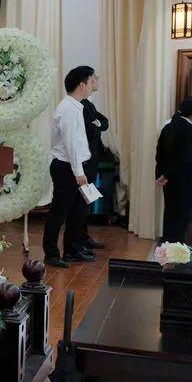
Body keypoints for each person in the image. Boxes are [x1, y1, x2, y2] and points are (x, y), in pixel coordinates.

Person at [43, 66, 96, 268]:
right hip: (66, 167)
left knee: (77, 211)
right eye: (91, 81)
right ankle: (51, 253)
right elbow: (70, 143)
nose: (92, 85)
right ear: (82, 84)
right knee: (59, 212)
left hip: (73, 165)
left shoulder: (75, 106)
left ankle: (72, 250)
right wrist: (78, 171)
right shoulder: (68, 109)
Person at [156, 96, 192, 244]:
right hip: (185, 178)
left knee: (170, 213)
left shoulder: (168, 126)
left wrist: (161, 174)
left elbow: (159, 153)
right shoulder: (190, 128)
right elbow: (185, 157)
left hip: (167, 178)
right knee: (184, 216)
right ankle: (176, 247)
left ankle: (167, 246)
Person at [79, 68, 109, 250]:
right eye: (94, 78)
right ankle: (79, 240)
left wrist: (97, 125)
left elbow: (104, 122)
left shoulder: (89, 103)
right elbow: (91, 130)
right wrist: (97, 125)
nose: (96, 81)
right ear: (85, 83)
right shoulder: (81, 104)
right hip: (86, 160)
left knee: (86, 201)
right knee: (81, 202)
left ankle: (83, 237)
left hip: (92, 158)